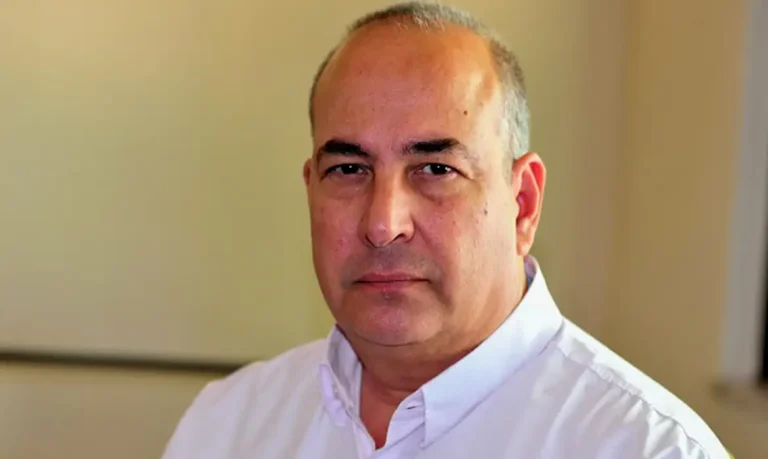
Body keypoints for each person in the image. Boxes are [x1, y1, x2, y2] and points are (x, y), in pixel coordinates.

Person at [163, 2, 730, 458]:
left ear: (523, 204)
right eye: (349, 169)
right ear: (310, 189)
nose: (383, 224)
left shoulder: (645, 447)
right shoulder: (227, 425)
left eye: (436, 169)